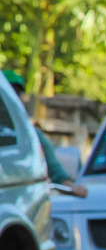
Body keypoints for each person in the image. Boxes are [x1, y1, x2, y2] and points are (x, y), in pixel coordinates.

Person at [2, 69, 87, 197]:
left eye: (16, 93)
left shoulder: (28, 134)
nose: (12, 100)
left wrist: (67, 184)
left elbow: (54, 169)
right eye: (7, 95)